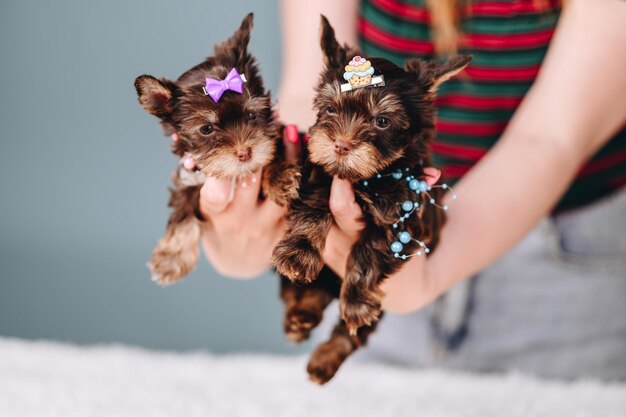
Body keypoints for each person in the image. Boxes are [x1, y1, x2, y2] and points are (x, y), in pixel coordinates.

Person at [192, 0, 626, 380]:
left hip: (564, 281)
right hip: (364, 249)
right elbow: (312, 90)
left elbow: (550, 140)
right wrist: (264, 214)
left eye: (381, 121)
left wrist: (428, 272)